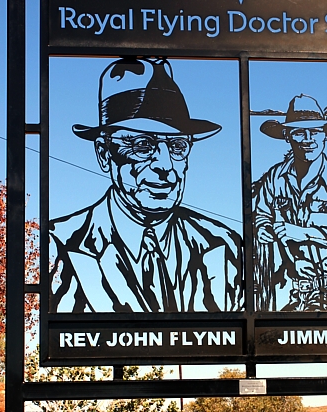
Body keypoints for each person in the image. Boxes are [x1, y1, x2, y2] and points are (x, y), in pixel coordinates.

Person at [49, 57, 243, 313]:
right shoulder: (59, 244)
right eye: (142, 145)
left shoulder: (223, 244)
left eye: (177, 146)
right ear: (105, 154)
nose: (164, 165)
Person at [253, 94, 327, 311]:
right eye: (299, 132)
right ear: (288, 137)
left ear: (326, 135)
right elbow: (261, 215)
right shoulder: (275, 178)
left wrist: (304, 233)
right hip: (298, 294)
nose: (308, 139)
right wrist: (263, 228)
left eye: (316, 131)